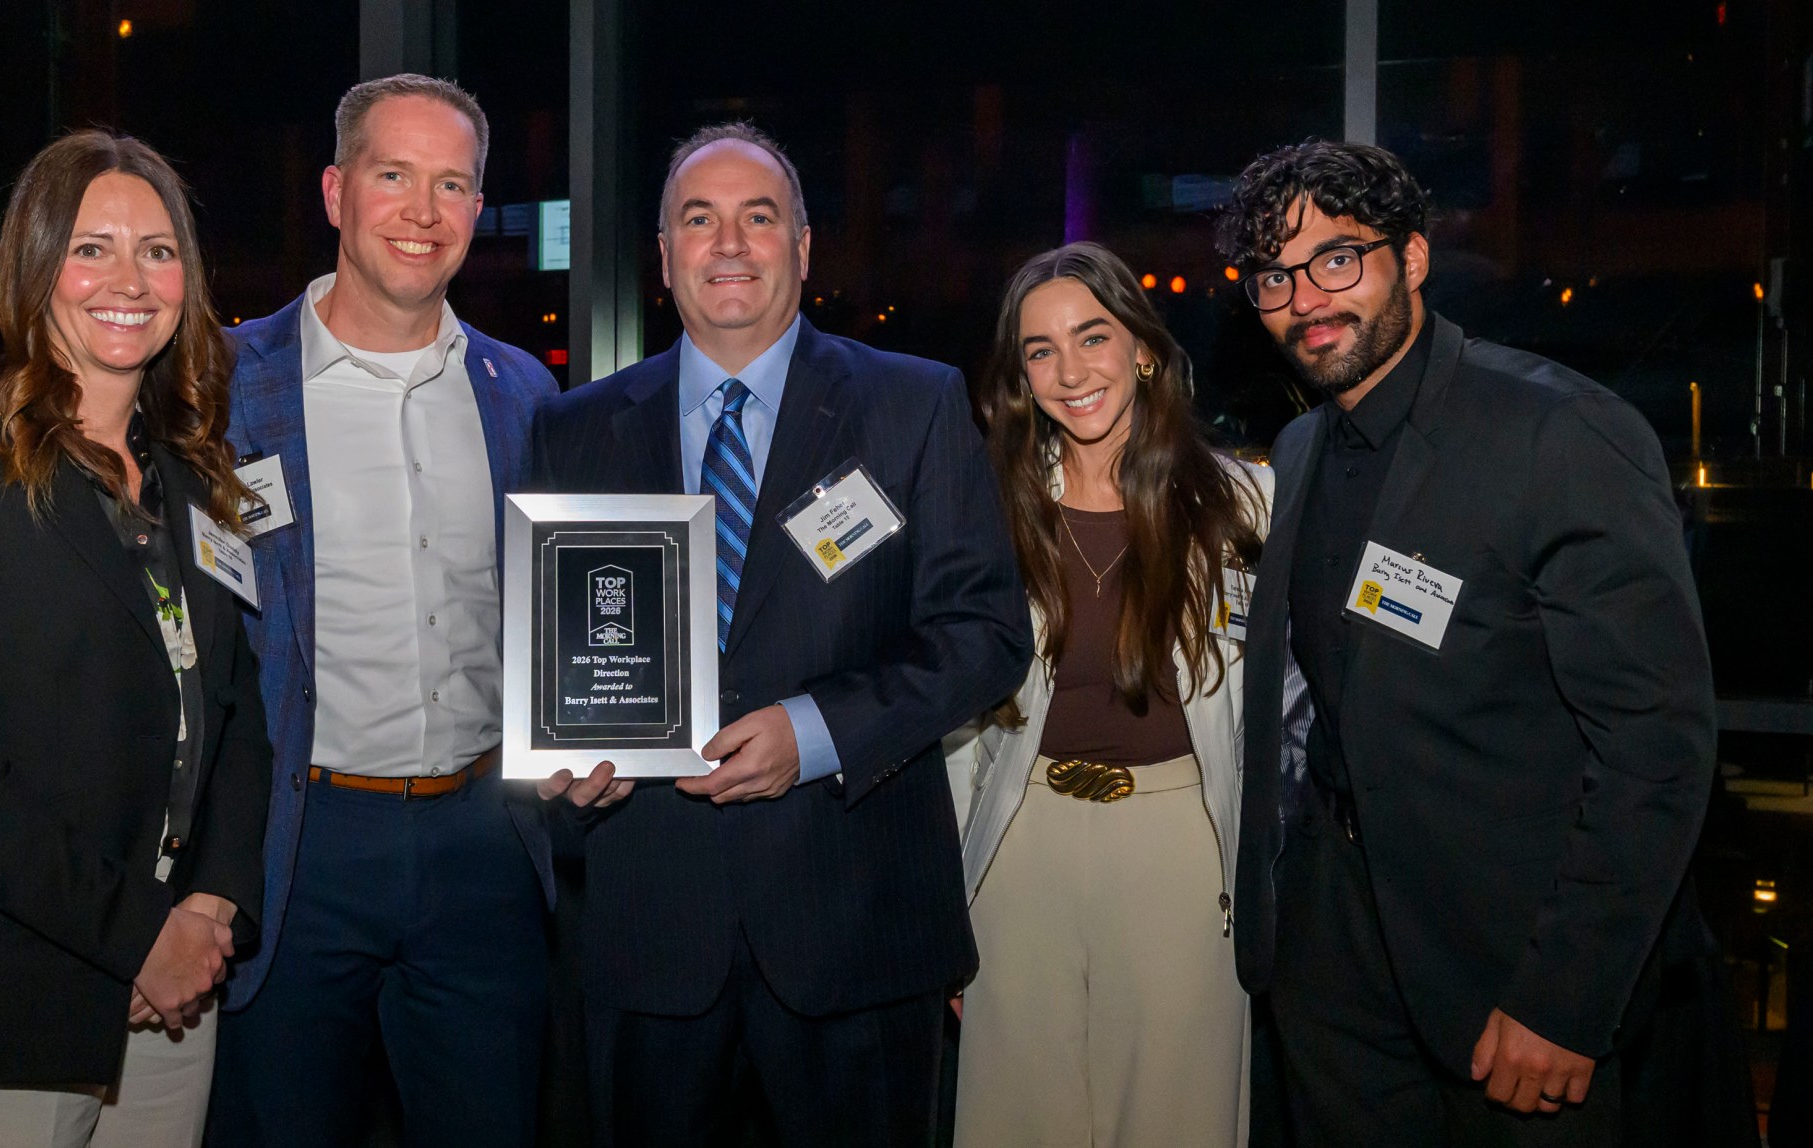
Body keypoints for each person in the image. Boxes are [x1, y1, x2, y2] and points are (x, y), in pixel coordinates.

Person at [524, 122, 1033, 1147]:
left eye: (759, 218)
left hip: (855, 928)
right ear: (661, 257)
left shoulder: (912, 402)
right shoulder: (573, 427)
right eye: (697, 219)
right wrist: (561, 766)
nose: (728, 243)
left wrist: (816, 731)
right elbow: (554, 655)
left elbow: (985, 633)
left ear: (802, 247)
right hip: (651, 929)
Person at [1217, 139, 1715, 1145]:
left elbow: (1653, 743)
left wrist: (1566, 994)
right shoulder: (1305, 445)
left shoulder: (1558, 431)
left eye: (1337, 258)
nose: (1306, 297)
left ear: (1411, 258)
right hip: (1335, 970)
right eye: (1275, 273)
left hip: (1508, 976)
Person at [0, 129, 270, 1147]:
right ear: (35, 264)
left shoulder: (195, 475)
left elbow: (235, 709)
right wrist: (140, 936)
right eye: (92, 247)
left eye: (159, 250)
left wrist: (210, 907)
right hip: (12, 995)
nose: (129, 279)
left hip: (177, 993)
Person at [204, 75, 562, 1147]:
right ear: (333, 192)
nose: (422, 210)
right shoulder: (223, 386)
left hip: (483, 847)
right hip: (297, 844)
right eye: (393, 175)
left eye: (451, 183)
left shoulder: (520, 392)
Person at [955, 241, 1271, 1146]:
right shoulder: (991, 511)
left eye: (1091, 337)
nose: (1069, 371)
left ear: (1141, 348)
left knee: (1178, 1122)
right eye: (1039, 351)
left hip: (1182, 852)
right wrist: (948, 900)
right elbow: (955, 732)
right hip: (1020, 846)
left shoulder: (1244, 505)